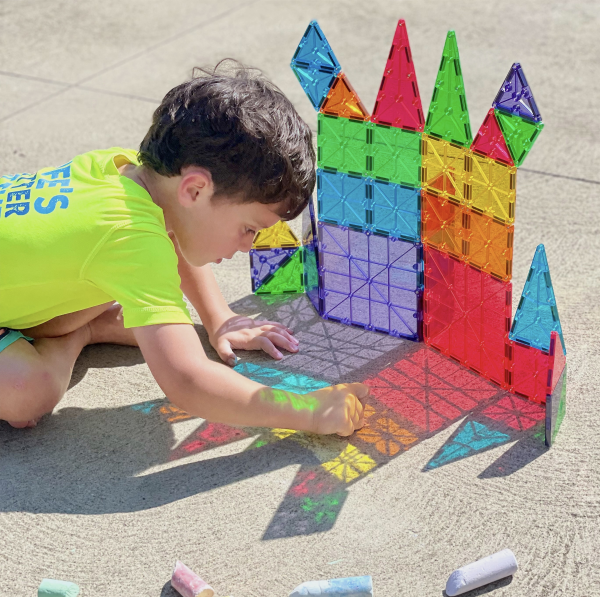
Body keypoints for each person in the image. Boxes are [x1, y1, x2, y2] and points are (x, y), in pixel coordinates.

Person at [0, 61, 368, 436]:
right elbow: (187, 380)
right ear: (195, 189)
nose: (248, 246)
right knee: (25, 390)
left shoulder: (126, 170)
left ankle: (70, 324)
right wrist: (310, 412)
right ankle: (80, 331)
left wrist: (219, 318)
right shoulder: (130, 237)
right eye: (248, 229)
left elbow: (172, 230)